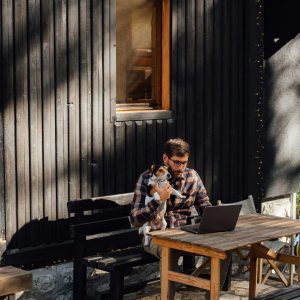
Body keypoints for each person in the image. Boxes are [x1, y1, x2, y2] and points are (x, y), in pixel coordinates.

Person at [130, 137, 232, 290]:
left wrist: (217, 221)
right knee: (169, 252)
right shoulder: (147, 178)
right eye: (177, 162)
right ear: (165, 158)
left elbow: (205, 206)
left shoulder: (192, 176)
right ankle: (174, 292)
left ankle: (212, 291)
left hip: (184, 233)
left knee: (225, 248)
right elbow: (135, 219)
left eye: (185, 162)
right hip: (155, 235)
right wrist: (157, 201)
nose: (182, 167)